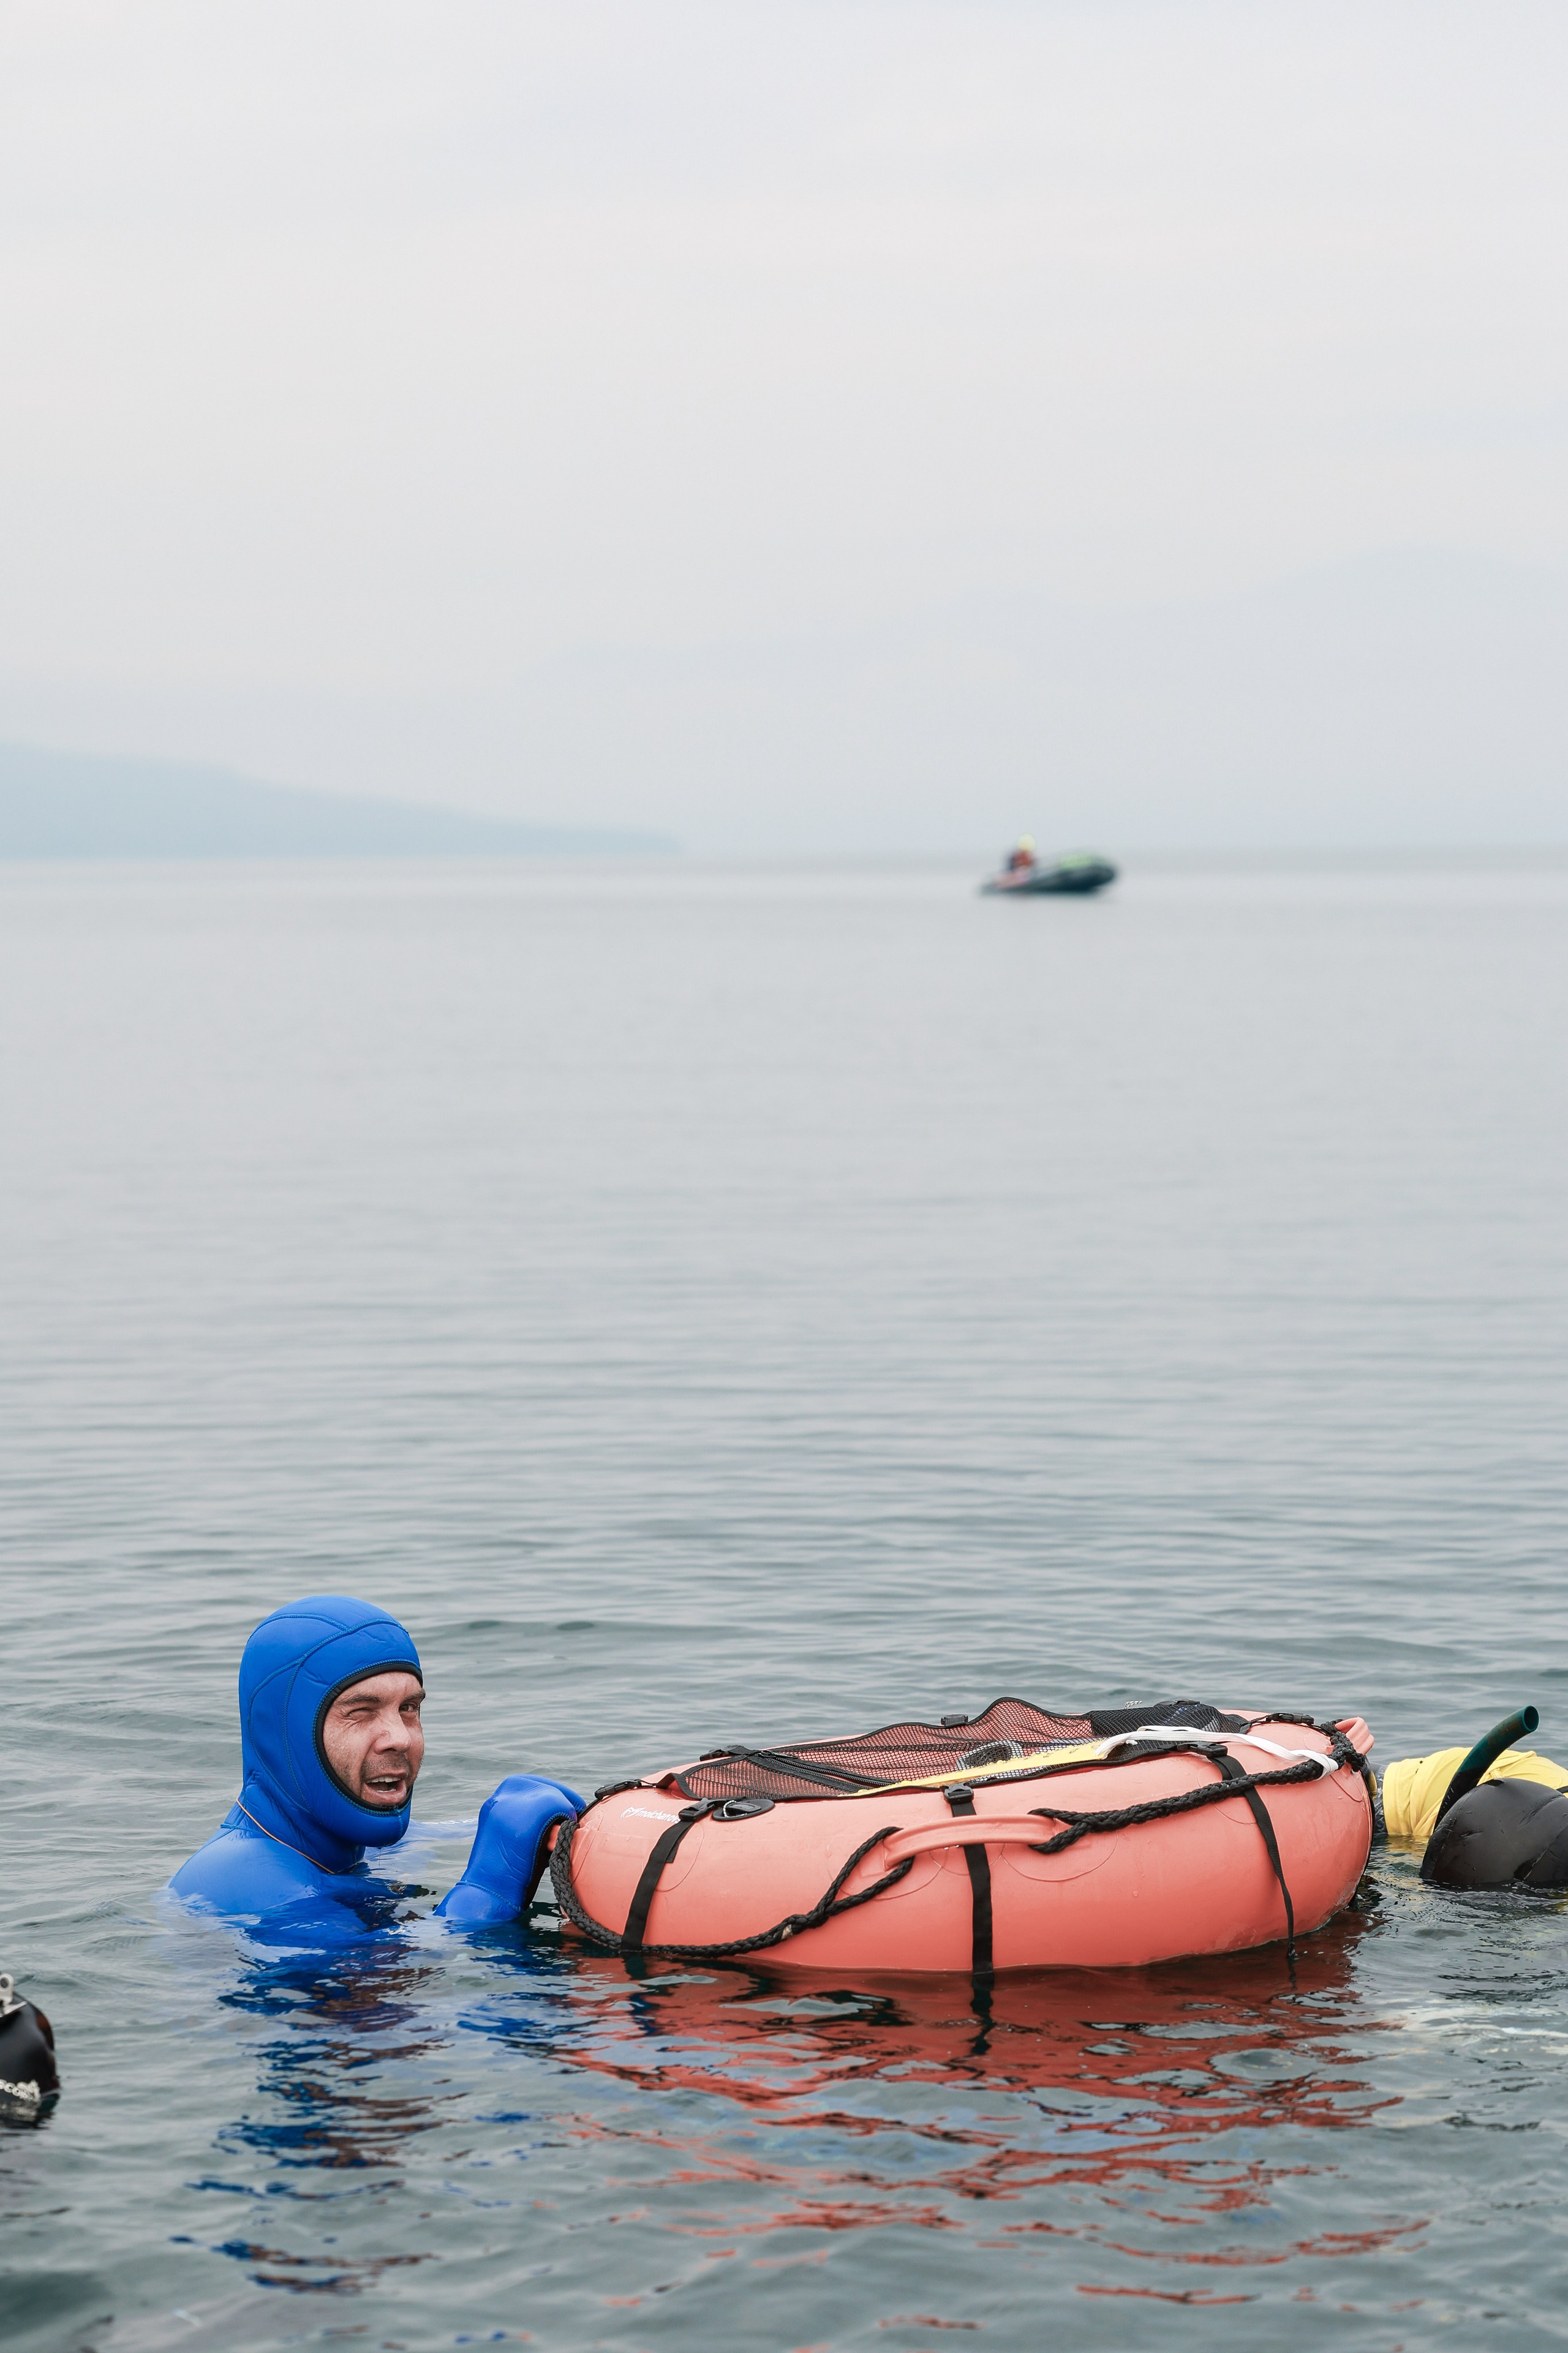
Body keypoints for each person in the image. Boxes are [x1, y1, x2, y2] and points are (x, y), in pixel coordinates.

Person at [170, 1594, 582, 1936]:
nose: (400, 1737)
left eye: (409, 1708)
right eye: (361, 1711)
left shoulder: (344, 1850)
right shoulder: (253, 1888)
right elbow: (410, 2024)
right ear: (285, 1734)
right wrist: (490, 1886)